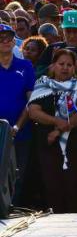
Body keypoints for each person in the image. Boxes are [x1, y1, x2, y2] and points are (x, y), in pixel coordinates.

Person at [27, 48, 77, 213]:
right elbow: (33, 111)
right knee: (52, 186)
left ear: (74, 68)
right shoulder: (42, 84)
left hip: (74, 146)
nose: (65, 68)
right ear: (53, 66)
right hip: (47, 146)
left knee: (74, 186)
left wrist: (57, 131)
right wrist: (56, 121)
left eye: (69, 65)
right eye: (61, 64)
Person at [0, 24, 36, 204]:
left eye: (9, 37)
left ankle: (12, 211)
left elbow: (31, 101)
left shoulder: (26, 66)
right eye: (1, 38)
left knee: (18, 175)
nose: (5, 41)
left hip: (21, 133)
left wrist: (17, 126)